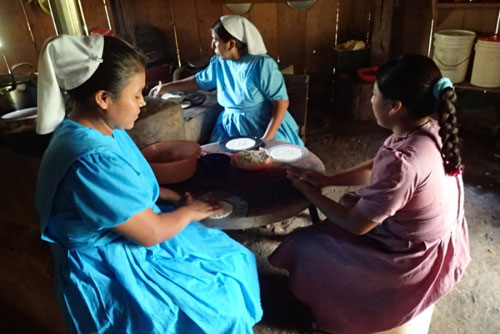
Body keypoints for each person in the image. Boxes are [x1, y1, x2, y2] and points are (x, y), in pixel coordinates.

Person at [35, 34, 262, 334]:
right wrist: (192, 211)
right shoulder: (89, 161)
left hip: (131, 232)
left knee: (236, 258)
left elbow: (130, 191)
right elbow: (151, 233)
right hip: (108, 265)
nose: (143, 102)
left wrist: (173, 197)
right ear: (103, 98)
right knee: (220, 311)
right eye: (137, 94)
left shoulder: (100, 129)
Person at [269, 55, 470, 333]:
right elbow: (376, 167)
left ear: (394, 107)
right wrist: (327, 180)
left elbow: (356, 224)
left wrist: (307, 190)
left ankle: (333, 311)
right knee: (330, 227)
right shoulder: (429, 128)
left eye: (374, 95)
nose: (370, 100)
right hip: (439, 240)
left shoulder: (404, 161)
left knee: (304, 245)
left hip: (410, 257)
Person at [149, 15, 304, 146]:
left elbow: (281, 102)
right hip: (230, 125)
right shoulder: (219, 63)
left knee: (270, 165)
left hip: (261, 123)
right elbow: (198, 81)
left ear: (231, 43)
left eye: (215, 40)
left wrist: (265, 139)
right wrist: (166, 87)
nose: (212, 45)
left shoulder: (261, 65)